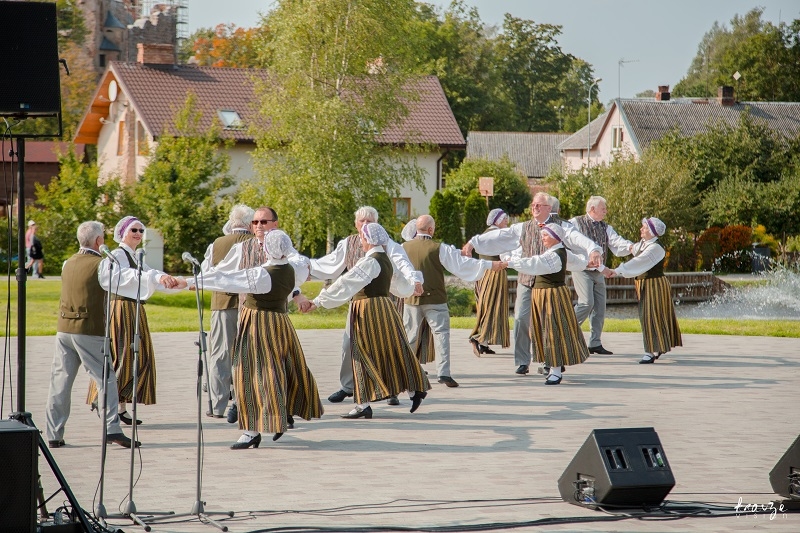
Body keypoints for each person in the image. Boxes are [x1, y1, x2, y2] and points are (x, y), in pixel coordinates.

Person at [195, 230, 323, 448]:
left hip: (258, 325)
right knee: (279, 369)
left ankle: (254, 430)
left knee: (251, 374)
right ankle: (269, 421)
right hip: (279, 323)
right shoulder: (293, 268)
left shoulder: (261, 274)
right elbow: (302, 268)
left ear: (267, 249)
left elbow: (226, 281)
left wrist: (190, 281)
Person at [462, 192, 601, 376]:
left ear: (548, 209)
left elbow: (578, 239)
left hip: (548, 285)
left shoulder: (561, 227)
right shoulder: (523, 227)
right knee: (520, 318)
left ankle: (547, 361)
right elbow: (499, 235)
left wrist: (593, 250)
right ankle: (522, 360)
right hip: (527, 280)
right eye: (533, 204)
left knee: (545, 323)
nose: (534, 208)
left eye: (539, 205)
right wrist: (472, 243)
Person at [307, 223, 430, 419]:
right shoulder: (386, 259)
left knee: (361, 353)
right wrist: (411, 287)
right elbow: (399, 287)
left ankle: (363, 404)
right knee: (391, 351)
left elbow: (346, 283)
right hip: (384, 308)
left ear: (368, 240)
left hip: (367, 310)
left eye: (362, 238)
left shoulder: (370, 261)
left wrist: (318, 301)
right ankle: (415, 390)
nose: (361, 242)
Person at [207, 206, 313, 423]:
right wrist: (192, 282)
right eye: (255, 223)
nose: (258, 226)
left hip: (274, 314)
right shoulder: (242, 248)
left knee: (278, 362)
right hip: (248, 312)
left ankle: (282, 408)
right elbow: (222, 273)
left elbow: (290, 273)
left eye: (263, 222)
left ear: (275, 223)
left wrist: (298, 295)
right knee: (244, 359)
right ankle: (238, 403)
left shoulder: (283, 246)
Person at [45, 221, 139, 449]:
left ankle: (53, 434)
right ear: (98, 241)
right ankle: (112, 429)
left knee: (60, 381)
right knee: (106, 378)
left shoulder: (68, 263)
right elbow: (128, 281)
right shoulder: (101, 264)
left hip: (64, 329)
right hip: (88, 330)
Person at [87, 216, 187, 425]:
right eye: (134, 230)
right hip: (121, 308)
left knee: (136, 357)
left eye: (141, 231)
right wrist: (155, 278)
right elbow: (121, 277)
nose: (138, 234)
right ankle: (103, 399)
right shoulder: (116, 255)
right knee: (122, 356)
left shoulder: (134, 255)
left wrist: (174, 282)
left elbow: (150, 274)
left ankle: (120, 405)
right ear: (122, 232)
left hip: (133, 309)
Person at [403, 215, 506, 388]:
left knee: (410, 336)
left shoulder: (403, 247)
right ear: (430, 230)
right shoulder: (438, 248)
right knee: (441, 334)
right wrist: (488, 265)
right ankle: (443, 373)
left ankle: (405, 372)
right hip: (435, 299)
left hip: (411, 298)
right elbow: (460, 265)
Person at [507, 223, 590, 384]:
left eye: (545, 235)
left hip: (551, 296)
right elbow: (579, 262)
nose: (542, 238)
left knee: (552, 331)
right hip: (543, 295)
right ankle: (551, 365)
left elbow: (533, 263)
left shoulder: (554, 255)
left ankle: (556, 370)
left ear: (554, 237)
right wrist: (594, 265)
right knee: (545, 331)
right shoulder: (559, 252)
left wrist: (508, 263)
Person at [200, 204, 254, 419]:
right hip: (250, 303)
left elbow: (205, 272)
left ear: (232, 223)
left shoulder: (217, 244)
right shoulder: (255, 243)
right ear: (250, 224)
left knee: (220, 354)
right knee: (247, 354)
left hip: (222, 303)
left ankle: (218, 405)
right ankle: (245, 401)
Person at [606, 217, 682, 363]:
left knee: (650, 316)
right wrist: (609, 236)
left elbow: (638, 262)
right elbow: (629, 247)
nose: (641, 229)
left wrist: (616, 271)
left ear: (653, 232)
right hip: (644, 284)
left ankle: (650, 351)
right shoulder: (644, 244)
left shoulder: (655, 248)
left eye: (644, 227)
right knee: (650, 315)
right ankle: (657, 346)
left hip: (654, 285)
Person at [569, 196, 634, 355]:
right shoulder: (575, 223)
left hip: (598, 271)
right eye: (603, 208)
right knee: (586, 302)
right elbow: (570, 245)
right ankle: (567, 330)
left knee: (600, 306)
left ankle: (595, 343)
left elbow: (617, 241)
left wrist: (632, 247)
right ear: (592, 209)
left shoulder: (605, 227)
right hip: (581, 269)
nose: (606, 211)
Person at [469, 208, 510, 356]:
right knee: (492, 307)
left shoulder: (484, 234)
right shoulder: (498, 235)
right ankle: (477, 337)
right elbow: (506, 256)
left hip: (482, 273)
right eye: (504, 219)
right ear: (498, 220)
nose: (506, 222)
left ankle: (484, 343)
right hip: (494, 273)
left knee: (485, 306)